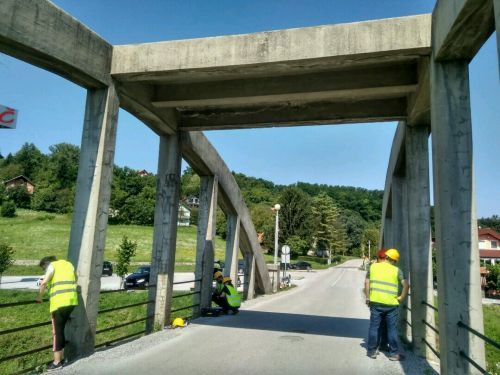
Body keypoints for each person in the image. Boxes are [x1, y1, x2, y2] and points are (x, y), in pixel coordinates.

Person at [365, 248, 409, 361]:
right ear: (394, 260)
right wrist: (401, 297)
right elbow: (406, 285)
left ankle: (371, 351)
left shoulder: (373, 266)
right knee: (392, 329)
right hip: (391, 304)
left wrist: (368, 297)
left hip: (375, 302)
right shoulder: (397, 270)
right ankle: (394, 353)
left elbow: (366, 282)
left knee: (374, 327)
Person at [36, 256, 78, 371]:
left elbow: (44, 283)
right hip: (71, 302)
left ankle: (57, 362)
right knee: (61, 330)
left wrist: (39, 297)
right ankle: (62, 358)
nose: (44, 270)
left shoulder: (52, 266)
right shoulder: (68, 264)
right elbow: (76, 278)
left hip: (59, 304)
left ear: (46, 263)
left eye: (43, 268)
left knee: (56, 332)